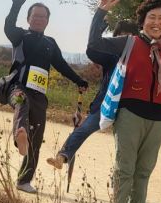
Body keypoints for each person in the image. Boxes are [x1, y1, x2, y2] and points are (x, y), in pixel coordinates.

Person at [87, 0, 161, 203]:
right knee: (125, 169)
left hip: (158, 118)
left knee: (144, 171)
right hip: (130, 114)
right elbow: (94, 45)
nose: (157, 22)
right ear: (142, 21)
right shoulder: (128, 43)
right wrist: (100, 14)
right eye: (152, 17)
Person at [4, 0, 89, 194]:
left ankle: (24, 181)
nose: (39, 19)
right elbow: (8, 27)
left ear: (48, 21)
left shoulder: (51, 42)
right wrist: (15, 6)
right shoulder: (20, 37)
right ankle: (19, 133)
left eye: (43, 17)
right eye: (35, 15)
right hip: (18, 87)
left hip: (39, 95)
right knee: (21, 103)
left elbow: (61, 65)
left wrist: (79, 80)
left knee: (37, 137)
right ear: (28, 18)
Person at [46, 19, 137, 169]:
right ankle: (62, 156)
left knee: (126, 146)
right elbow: (92, 51)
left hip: (129, 107)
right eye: (121, 35)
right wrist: (99, 30)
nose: (124, 38)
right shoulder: (110, 56)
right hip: (106, 103)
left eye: (129, 35)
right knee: (84, 129)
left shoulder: (140, 58)